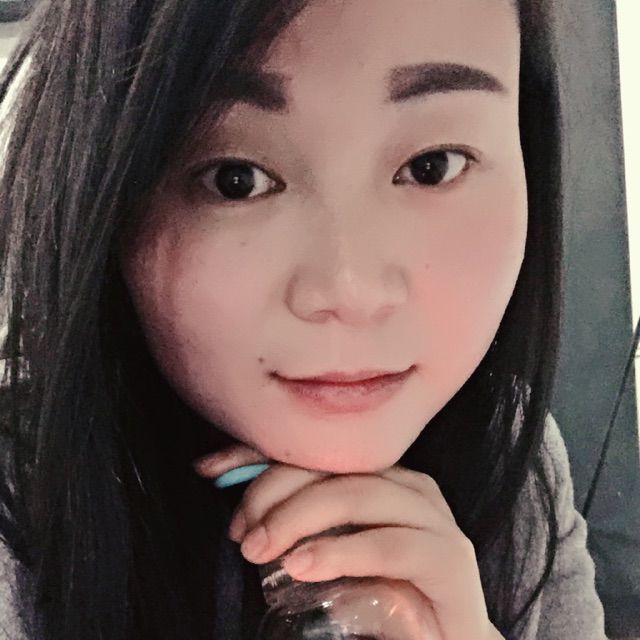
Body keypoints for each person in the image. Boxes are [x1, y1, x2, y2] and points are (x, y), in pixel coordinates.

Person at [0, 0, 609, 638]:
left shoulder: (514, 456)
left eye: (433, 166)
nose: (351, 291)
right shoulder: (22, 511)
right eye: (235, 180)